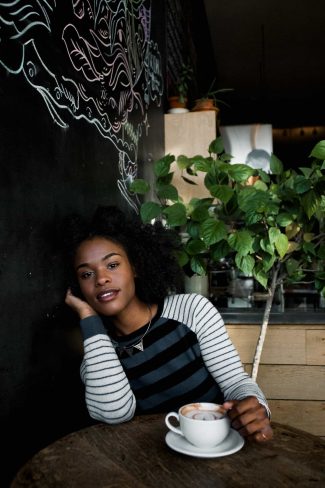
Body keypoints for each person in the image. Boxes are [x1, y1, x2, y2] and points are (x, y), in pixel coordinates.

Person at [64, 205, 273, 443]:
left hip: (217, 447)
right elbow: (115, 414)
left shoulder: (191, 311)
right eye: (86, 275)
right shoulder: (97, 355)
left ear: (136, 267)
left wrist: (256, 409)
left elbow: (235, 381)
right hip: (152, 467)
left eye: (112, 265)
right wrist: (88, 318)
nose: (101, 278)